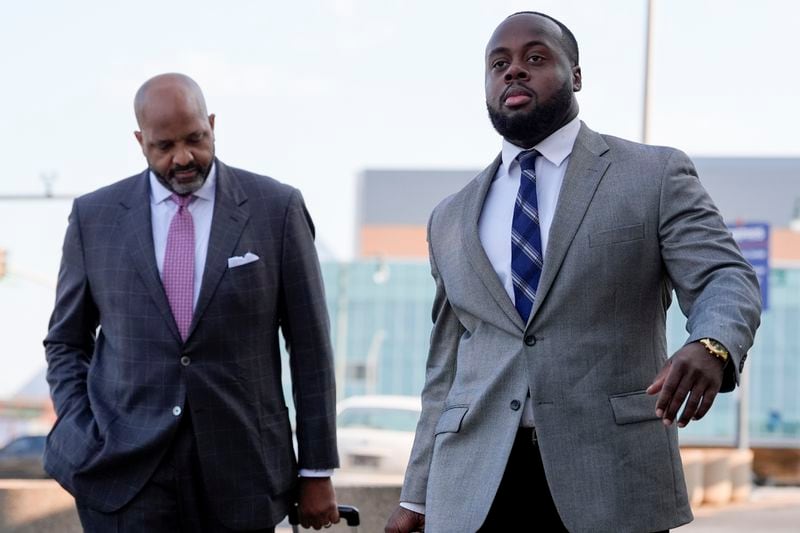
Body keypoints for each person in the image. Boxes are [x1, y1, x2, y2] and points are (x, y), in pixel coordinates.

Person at [385, 11, 761, 533]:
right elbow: (446, 366)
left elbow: (725, 275)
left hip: (612, 478)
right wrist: (417, 495)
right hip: (472, 489)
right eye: (499, 65)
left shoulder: (654, 175)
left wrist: (713, 344)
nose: (513, 72)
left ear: (576, 75)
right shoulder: (450, 216)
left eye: (535, 58)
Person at [44, 73, 340, 532]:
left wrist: (316, 470)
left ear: (213, 124)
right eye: (163, 146)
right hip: (123, 475)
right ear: (140, 141)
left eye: (196, 139)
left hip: (244, 474)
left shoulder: (275, 208)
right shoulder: (94, 218)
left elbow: (310, 347)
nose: (183, 158)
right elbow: (65, 341)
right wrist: (82, 430)